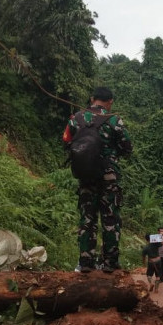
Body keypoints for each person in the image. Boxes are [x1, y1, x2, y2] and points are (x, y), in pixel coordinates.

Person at [62, 87, 132, 272]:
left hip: (85, 176)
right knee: (110, 219)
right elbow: (127, 148)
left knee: (87, 219)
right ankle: (110, 263)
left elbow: (66, 143)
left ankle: (86, 262)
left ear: (92, 99)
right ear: (110, 102)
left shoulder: (75, 118)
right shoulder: (114, 120)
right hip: (109, 177)